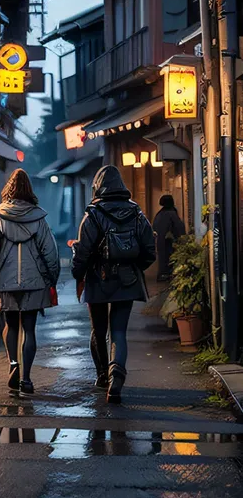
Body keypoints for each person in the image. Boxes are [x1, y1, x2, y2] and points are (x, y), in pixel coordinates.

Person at [71, 165, 156, 404]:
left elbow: (83, 252)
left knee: (98, 330)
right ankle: (116, 374)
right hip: (127, 280)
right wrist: (134, 266)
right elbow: (149, 250)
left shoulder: (92, 215)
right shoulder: (137, 213)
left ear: (96, 187)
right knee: (118, 330)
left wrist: (78, 273)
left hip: (98, 280)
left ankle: (101, 375)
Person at [0, 168, 60, 397]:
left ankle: (13, 364)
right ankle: (26, 378)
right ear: (29, 190)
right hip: (33, 282)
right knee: (29, 328)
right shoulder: (39, 219)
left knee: (11, 325)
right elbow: (50, 252)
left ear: (9, 189)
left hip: (5, 282)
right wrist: (51, 279)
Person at [153, 194, 185, 281]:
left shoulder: (159, 214)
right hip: (170, 241)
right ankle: (168, 274)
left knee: (163, 258)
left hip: (161, 240)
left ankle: (163, 274)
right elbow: (180, 227)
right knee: (169, 258)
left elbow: (154, 227)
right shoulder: (172, 213)